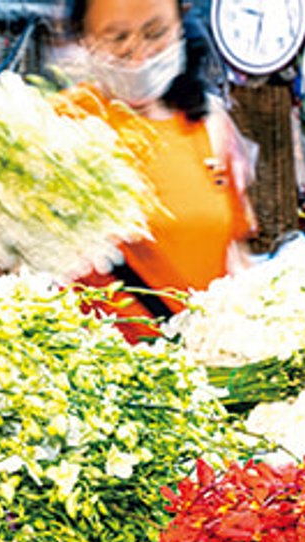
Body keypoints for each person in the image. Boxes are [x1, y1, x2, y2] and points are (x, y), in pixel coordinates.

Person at [52, 0, 256, 334]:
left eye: (155, 32)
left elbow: (235, 254)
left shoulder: (210, 125)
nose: (139, 54)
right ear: (84, 39)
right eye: (117, 38)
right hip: (107, 374)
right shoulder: (61, 125)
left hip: (206, 370)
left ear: (180, 23)